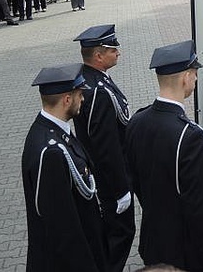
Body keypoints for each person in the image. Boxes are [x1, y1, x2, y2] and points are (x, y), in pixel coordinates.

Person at [125, 40, 203, 272]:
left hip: (153, 241)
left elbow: (136, 182)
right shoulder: (190, 136)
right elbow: (200, 206)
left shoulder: (136, 122)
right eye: (194, 74)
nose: (196, 79)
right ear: (185, 77)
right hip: (185, 251)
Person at [22, 63, 107, 271]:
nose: (83, 99)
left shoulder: (55, 131)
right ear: (67, 99)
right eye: (80, 95)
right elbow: (62, 229)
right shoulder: (51, 151)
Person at [73, 25, 135, 272]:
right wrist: (121, 189)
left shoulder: (90, 80)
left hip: (105, 175)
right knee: (120, 234)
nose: (118, 52)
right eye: (113, 49)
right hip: (110, 180)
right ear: (98, 56)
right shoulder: (98, 91)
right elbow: (105, 147)